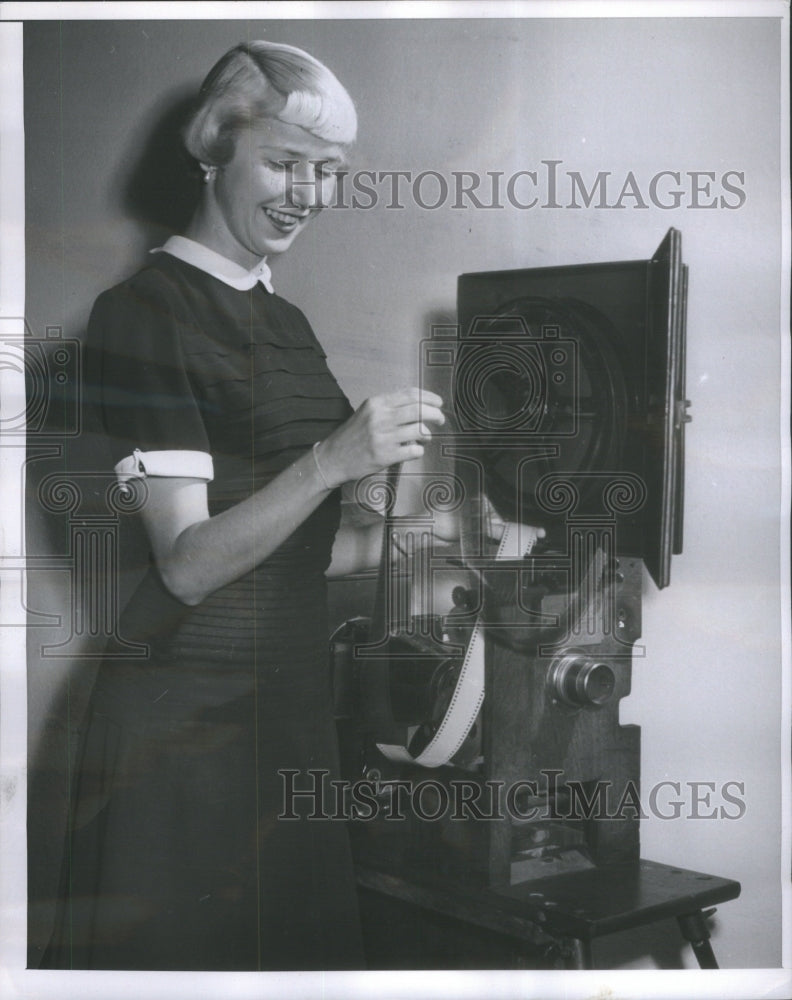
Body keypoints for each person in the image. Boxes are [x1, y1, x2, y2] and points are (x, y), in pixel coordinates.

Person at [42, 39, 445, 972]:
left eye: (328, 172)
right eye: (284, 163)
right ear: (215, 148)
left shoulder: (285, 319)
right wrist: (331, 460)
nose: (307, 194)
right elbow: (184, 564)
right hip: (182, 732)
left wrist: (449, 535)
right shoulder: (144, 313)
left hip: (288, 714)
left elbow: (310, 553)